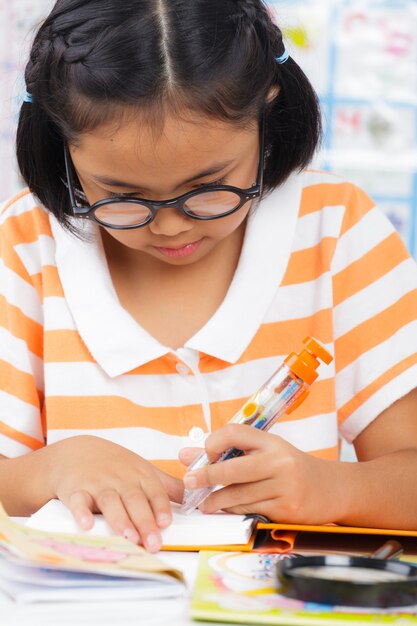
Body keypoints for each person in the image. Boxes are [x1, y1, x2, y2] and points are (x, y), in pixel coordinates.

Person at [0, 0, 416, 554]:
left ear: (268, 106)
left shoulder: (335, 228)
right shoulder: (28, 245)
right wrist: (51, 468)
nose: (171, 227)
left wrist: (333, 488)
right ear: (61, 142)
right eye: (123, 197)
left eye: (208, 187)